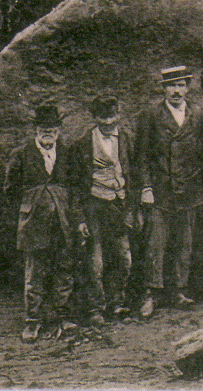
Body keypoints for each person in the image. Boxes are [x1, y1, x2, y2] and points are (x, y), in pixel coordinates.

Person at [135, 65, 203, 318]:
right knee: (155, 244)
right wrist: (146, 187)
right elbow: (142, 156)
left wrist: (200, 182)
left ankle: (179, 290)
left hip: (189, 191)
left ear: (188, 87)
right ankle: (152, 293)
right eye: (171, 85)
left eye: (181, 85)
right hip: (160, 191)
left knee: (184, 243)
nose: (176, 91)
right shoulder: (150, 115)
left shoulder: (198, 115)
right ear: (164, 88)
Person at [5, 104, 80, 343]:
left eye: (53, 128)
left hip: (62, 222)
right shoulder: (21, 154)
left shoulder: (67, 154)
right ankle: (32, 321)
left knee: (64, 270)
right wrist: (32, 206)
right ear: (35, 130)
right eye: (43, 128)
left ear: (59, 130)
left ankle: (63, 316)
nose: (48, 132)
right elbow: (11, 191)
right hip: (34, 223)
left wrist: (75, 218)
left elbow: (75, 189)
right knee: (34, 273)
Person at [68, 94, 136, 326]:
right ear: (95, 117)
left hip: (119, 204)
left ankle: (118, 303)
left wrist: (132, 209)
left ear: (120, 114)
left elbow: (133, 175)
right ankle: (96, 308)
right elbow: (75, 185)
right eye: (103, 117)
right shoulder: (82, 144)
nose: (108, 122)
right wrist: (79, 218)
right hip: (94, 205)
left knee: (123, 257)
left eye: (113, 116)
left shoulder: (127, 139)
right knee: (94, 261)